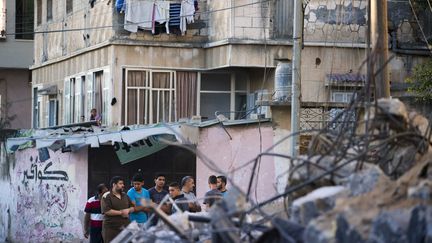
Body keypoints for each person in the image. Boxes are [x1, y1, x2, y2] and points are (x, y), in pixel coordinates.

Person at [101, 176, 135, 243]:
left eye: (123, 184)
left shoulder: (125, 195)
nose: (123, 185)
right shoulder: (107, 196)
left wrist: (128, 210)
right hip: (111, 229)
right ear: (114, 184)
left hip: (125, 227)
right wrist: (122, 212)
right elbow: (107, 211)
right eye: (120, 183)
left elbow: (133, 207)